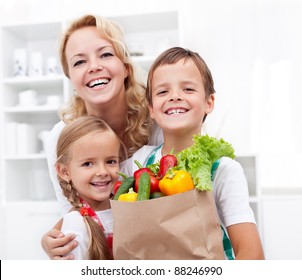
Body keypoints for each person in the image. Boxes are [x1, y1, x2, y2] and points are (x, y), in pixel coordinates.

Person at [121, 47, 265, 259]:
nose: (175, 97)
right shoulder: (140, 160)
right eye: (162, 92)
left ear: (209, 102)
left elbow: (251, 254)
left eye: (188, 89)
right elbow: (97, 196)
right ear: (151, 108)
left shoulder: (224, 170)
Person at [41, 14, 163, 259]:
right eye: (79, 62)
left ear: (125, 68)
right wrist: (52, 238)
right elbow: (73, 207)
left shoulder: (157, 123)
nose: (94, 66)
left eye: (106, 54)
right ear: (72, 81)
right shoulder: (61, 136)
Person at [54, 115, 126, 260]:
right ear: (65, 172)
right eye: (88, 164)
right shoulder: (75, 224)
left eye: (111, 161)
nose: (103, 172)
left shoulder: (125, 207)